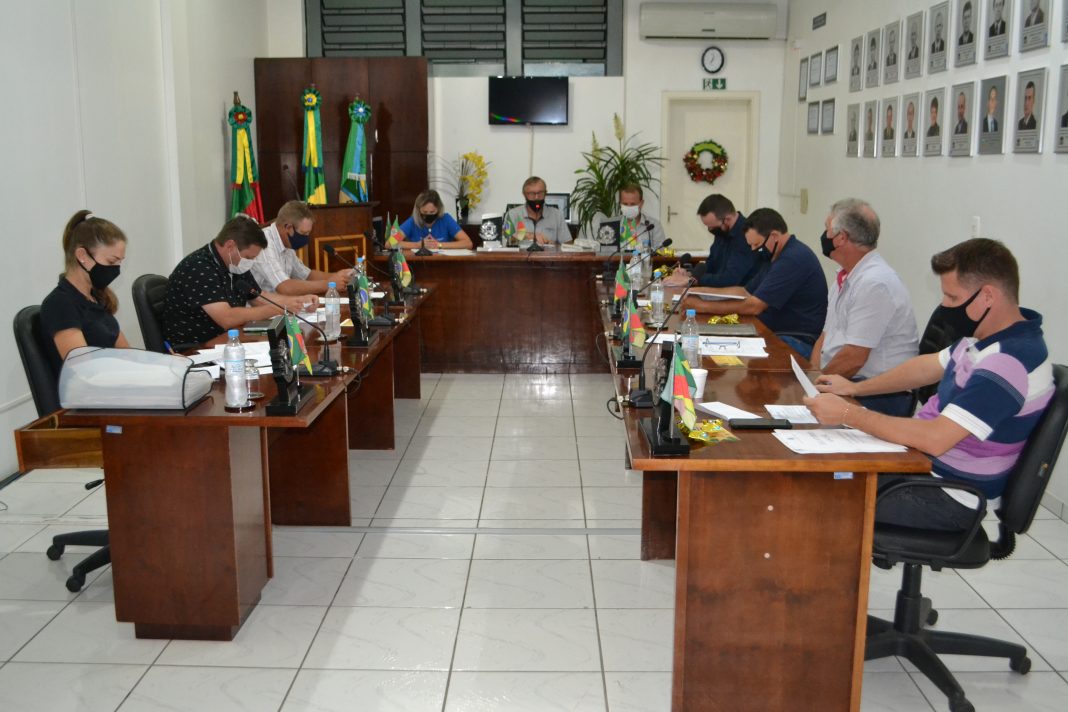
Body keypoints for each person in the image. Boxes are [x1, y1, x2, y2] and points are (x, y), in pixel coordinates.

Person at [805, 238, 1053, 532]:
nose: (945, 306)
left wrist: (849, 414)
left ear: (987, 296)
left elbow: (935, 438)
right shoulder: (987, 338)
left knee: (812, 496)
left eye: (952, 298)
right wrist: (855, 389)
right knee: (819, 473)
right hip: (922, 467)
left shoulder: (1008, 362)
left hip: (947, 496)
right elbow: (924, 368)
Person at [810, 199, 918, 417]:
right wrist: (812, 376)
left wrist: (814, 387)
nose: (824, 236)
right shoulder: (846, 275)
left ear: (841, 238)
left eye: (827, 229)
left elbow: (854, 358)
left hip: (879, 394)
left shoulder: (874, 283)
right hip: (844, 381)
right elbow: (825, 336)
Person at [680, 207, 827, 359]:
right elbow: (744, 291)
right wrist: (696, 292)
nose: (753, 250)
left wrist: (702, 306)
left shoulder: (793, 259)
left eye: (756, 245)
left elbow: (754, 306)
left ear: (774, 236)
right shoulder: (775, 254)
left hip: (795, 339)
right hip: (772, 331)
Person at [163, 215, 313, 346]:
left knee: (283, 344)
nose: (250, 262)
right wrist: (281, 308)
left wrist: (298, 302)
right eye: (248, 257)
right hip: (196, 349)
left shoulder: (235, 265)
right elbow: (227, 318)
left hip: (229, 339)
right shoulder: (199, 268)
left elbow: (258, 298)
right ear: (230, 246)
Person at [40, 210, 130, 374]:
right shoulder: (59, 304)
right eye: (111, 261)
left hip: (112, 382)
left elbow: (127, 355)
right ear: (82, 255)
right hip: (90, 387)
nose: (116, 270)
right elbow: (84, 371)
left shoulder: (97, 298)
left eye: (119, 262)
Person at [251, 200, 353, 295]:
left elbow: (307, 275)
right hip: (260, 306)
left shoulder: (287, 243)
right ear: (288, 227)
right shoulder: (264, 243)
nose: (306, 239)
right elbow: (284, 287)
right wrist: (328, 284)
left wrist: (339, 276)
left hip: (281, 304)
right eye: (303, 233)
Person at [664, 194, 760, 289]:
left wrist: (692, 280)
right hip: (720, 292)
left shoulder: (747, 235)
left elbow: (730, 279)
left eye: (712, 227)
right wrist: (689, 274)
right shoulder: (723, 231)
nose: (710, 230)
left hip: (739, 294)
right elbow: (711, 264)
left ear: (727, 219)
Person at [502, 176, 569, 245]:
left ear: (545, 193)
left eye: (540, 193)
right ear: (524, 194)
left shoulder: (557, 215)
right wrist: (527, 236)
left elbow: (568, 244)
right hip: (522, 252)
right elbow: (505, 238)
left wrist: (555, 245)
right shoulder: (512, 214)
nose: (536, 197)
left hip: (548, 252)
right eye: (532, 193)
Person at [397, 189, 473, 250]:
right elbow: (391, 243)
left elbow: (468, 243)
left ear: (439, 209)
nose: (428, 214)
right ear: (418, 210)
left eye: (432, 212)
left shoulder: (446, 219)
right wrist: (417, 245)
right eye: (425, 212)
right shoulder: (412, 221)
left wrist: (439, 245)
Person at [607, 183, 667, 251]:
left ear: (641, 203)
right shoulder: (611, 225)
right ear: (620, 203)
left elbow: (661, 252)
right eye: (625, 204)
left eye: (633, 204)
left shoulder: (653, 225)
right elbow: (604, 253)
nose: (629, 207)